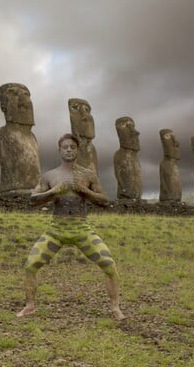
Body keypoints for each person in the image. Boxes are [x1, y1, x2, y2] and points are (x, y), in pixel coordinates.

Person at [17, 133, 126, 320]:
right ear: (59, 150)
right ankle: (30, 305)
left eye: (72, 147)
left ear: (77, 150)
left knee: (109, 265)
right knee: (30, 266)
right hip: (56, 229)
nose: (68, 150)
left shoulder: (88, 175)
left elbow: (104, 201)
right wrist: (53, 192)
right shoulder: (50, 175)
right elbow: (32, 201)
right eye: (65, 147)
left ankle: (115, 307)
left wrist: (84, 190)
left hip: (81, 228)